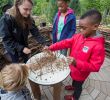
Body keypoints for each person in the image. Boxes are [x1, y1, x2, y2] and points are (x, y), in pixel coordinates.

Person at [44, 9, 105, 100]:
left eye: (84, 28)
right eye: (80, 27)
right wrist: (51, 47)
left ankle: (75, 97)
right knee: (74, 80)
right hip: (73, 69)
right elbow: (65, 43)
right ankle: (73, 86)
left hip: (81, 74)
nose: (81, 30)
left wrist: (76, 63)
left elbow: (95, 67)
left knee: (78, 85)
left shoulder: (98, 46)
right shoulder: (79, 36)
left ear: (95, 26)